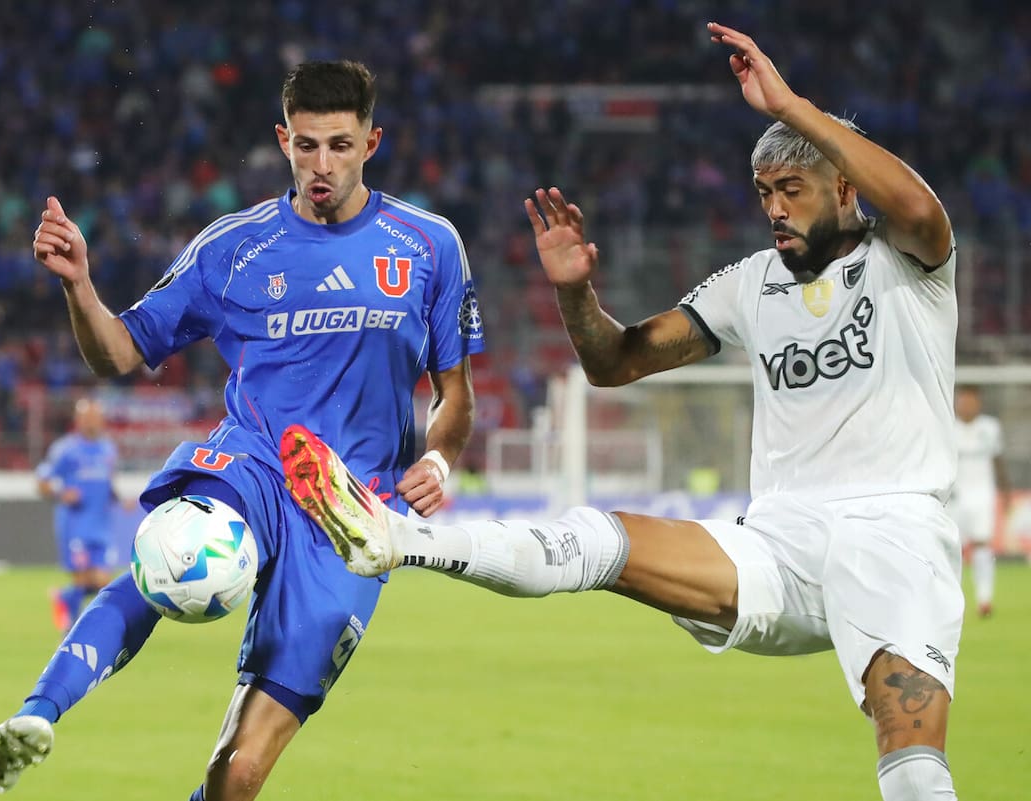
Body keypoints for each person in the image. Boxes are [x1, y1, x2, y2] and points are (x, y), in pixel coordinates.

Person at [281, 24, 962, 801]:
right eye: (764, 193)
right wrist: (576, 295)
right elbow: (614, 362)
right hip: (781, 541)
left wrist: (788, 104)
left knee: (907, 753)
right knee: (599, 542)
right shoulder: (750, 284)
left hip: (896, 535)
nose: (774, 209)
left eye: (792, 191)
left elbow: (918, 205)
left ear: (844, 186)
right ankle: (400, 539)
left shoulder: (908, 262)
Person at [0, 60, 483, 801]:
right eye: (306, 145)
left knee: (236, 776)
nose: (322, 165)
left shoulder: (430, 245)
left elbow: (454, 391)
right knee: (171, 553)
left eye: (340, 145)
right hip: (256, 461)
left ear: (373, 142)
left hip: (355, 512)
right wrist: (80, 286)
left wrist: (438, 457)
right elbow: (120, 351)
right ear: (283, 139)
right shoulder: (232, 248)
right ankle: (38, 712)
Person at [35, 398, 120, 632]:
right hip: (75, 525)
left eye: (96, 417)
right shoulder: (65, 449)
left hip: (101, 526)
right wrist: (61, 492)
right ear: (78, 420)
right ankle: (71, 632)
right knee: (83, 580)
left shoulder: (108, 449)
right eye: (87, 417)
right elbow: (42, 482)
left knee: (103, 583)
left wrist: (119, 498)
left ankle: (64, 598)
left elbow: (108, 483)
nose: (92, 422)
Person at [948, 385, 1009, 618]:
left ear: (978, 403)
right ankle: (952, 601)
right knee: (953, 548)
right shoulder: (948, 427)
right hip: (954, 496)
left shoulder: (990, 427)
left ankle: (984, 599)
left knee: (983, 544)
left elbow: (998, 460)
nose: (967, 405)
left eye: (971, 401)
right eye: (963, 401)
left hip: (983, 494)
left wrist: (1006, 492)